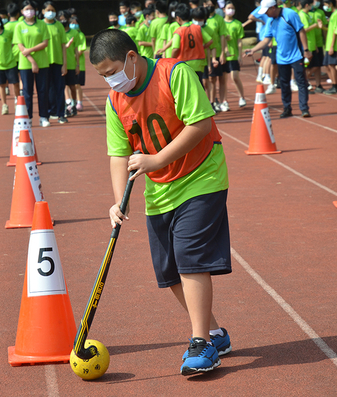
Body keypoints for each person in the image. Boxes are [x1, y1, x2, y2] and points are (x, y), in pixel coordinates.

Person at [90, 28, 232, 376]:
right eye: (103, 76)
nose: (110, 80)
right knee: (168, 273)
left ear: (132, 58)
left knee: (190, 260)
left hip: (201, 177)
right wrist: (117, 201)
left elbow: (200, 124)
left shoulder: (174, 74)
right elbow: (117, 154)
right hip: (160, 192)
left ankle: (200, 343)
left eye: (112, 71)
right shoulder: (115, 102)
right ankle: (214, 333)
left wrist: (155, 160)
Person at [245, 0, 312, 118]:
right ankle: (287, 108)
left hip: (296, 55)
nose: (265, 14)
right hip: (281, 57)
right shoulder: (270, 21)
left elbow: (301, 31)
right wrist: (253, 50)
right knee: (284, 84)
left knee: (301, 82)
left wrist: (306, 50)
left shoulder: (290, 14)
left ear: (273, 8)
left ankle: (304, 108)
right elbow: (266, 40)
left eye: (266, 11)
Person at [13, 0, 51, 126]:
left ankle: (44, 117)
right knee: (27, 91)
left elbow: (45, 43)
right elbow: (20, 47)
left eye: (31, 9)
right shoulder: (19, 26)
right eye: (26, 9)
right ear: (22, 11)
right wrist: (32, 61)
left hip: (43, 63)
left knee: (42, 91)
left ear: (35, 11)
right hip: (25, 64)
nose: (29, 11)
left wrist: (30, 50)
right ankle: (28, 117)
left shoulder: (42, 24)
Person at [170, 3, 213, 86]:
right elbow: (210, 41)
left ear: (178, 18)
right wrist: (201, 47)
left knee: (187, 86)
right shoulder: (198, 28)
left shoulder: (178, 31)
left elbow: (175, 48)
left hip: (184, 63)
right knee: (199, 86)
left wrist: (171, 59)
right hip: (199, 63)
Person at [0, 13, 20, 115]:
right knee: (1, 85)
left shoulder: (8, 33)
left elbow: (15, 43)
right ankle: (4, 105)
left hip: (11, 63)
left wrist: (12, 54)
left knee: (15, 83)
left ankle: (17, 103)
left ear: (0, 22)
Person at [43, 1, 68, 124]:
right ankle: (48, 113)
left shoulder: (59, 26)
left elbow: (64, 46)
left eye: (52, 10)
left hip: (58, 61)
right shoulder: (40, 25)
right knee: (46, 88)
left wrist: (64, 64)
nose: (50, 12)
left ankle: (61, 114)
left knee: (59, 88)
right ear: (43, 12)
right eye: (48, 10)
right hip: (44, 62)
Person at [204, 0, 228, 112]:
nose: (209, 6)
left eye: (211, 5)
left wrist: (223, 52)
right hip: (204, 55)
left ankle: (223, 101)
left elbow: (223, 36)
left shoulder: (219, 19)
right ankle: (211, 101)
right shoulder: (201, 19)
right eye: (207, 4)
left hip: (217, 53)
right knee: (209, 80)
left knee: (221, 78)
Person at [222, 1, 245, 108]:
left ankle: (242, 97)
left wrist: (240, 55)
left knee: (235, 77)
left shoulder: (238, 24)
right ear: (224, 10)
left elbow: (240, 42)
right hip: (223, 55)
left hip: (234, 55)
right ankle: (225, 101)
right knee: (223, 79)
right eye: (228, 8)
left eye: (232, 8)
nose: (230, 10)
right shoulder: (221, 23)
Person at [298, 0, 322, 93]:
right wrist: (315, 25)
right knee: (308, 66)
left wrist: (315, 45)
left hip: (312, 45)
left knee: (316, 65)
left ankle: (308, 82)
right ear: (307, 5)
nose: (313, 6)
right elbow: (304, 30)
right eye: (311, 4)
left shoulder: (308, 15)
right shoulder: (302, 15)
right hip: (306, 47)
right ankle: (303, 81)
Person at [61, 10, 80, 117]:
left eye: (64, 18)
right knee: (62, 86)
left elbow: (76, 51)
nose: (63, 21)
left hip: (71, 64)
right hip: (61, 64)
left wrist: (78, 65)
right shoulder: (59, 31)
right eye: (61, 19)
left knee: (72, 86)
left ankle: (73, 104)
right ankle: (65, 106)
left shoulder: (74, 33)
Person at [322, 0, 337, 95]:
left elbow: (335, 30)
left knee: (332, 65)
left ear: (331, 4)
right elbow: (330, 29)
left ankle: (335, 85)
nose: (325, 7)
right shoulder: (333, 14)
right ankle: (334, 83)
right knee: (327, 65)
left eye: (326, 4)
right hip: (329, 44)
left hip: (332, 45)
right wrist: (322, 27)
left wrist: (332, 46)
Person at [72, 16, 87, 112]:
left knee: (77, 85)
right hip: (68, 64)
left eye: (75, 23)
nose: (73, 25)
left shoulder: (81, 35)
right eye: (71, 23)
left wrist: (71, 56)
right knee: (68, 85)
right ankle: (69, 102)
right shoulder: (67, 34)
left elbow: (81, 49)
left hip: (79, 64)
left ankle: (79, 102)